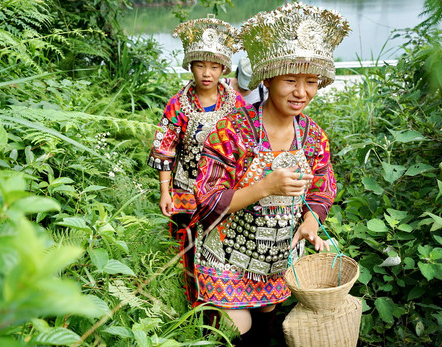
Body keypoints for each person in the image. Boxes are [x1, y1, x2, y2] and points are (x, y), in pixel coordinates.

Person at [192, 3, 350, 346]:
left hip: (278, 257)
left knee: (268, 325)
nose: (301, 92)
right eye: (290, 81)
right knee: (233, 331)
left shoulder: (312, 135)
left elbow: (324, 186)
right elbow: (206, 201)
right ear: (267, 79)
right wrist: (265, 186)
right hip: (226, 257)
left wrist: (310, 221)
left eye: (311, 82)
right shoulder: (233, 130)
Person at [146, 15, 246, 303]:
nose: (207, 73)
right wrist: (165, 192)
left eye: (214, 67)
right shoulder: (177, 104)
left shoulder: (236, 104)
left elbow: (247, 147)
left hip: (227, 190)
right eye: (200, 65)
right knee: (189, 249)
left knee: (224, 246)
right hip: (185, 189)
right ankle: (192, 304)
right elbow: (164, 149)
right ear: (190, 66)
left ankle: (227, 300)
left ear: (223, 68)